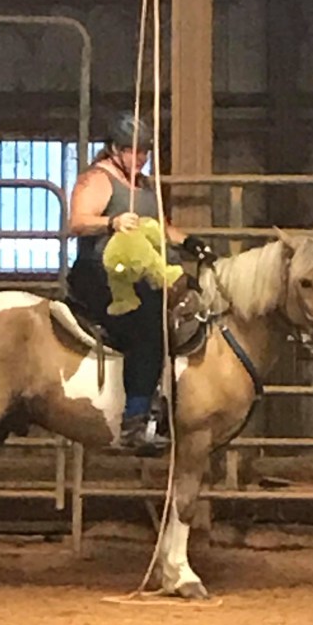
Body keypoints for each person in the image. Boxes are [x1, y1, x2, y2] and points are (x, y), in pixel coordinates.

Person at [65, 111, 215, 455]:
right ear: (114, 150)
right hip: (102, 272)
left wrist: (192, 243)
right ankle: (134, 420)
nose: (140, 158)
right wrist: (112, 222)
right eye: (133, 151)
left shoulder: (146, 186)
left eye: (145, 152)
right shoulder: (97, 179)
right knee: (148, 323)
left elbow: (160, 227)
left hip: (144, 270)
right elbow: (77, 221)